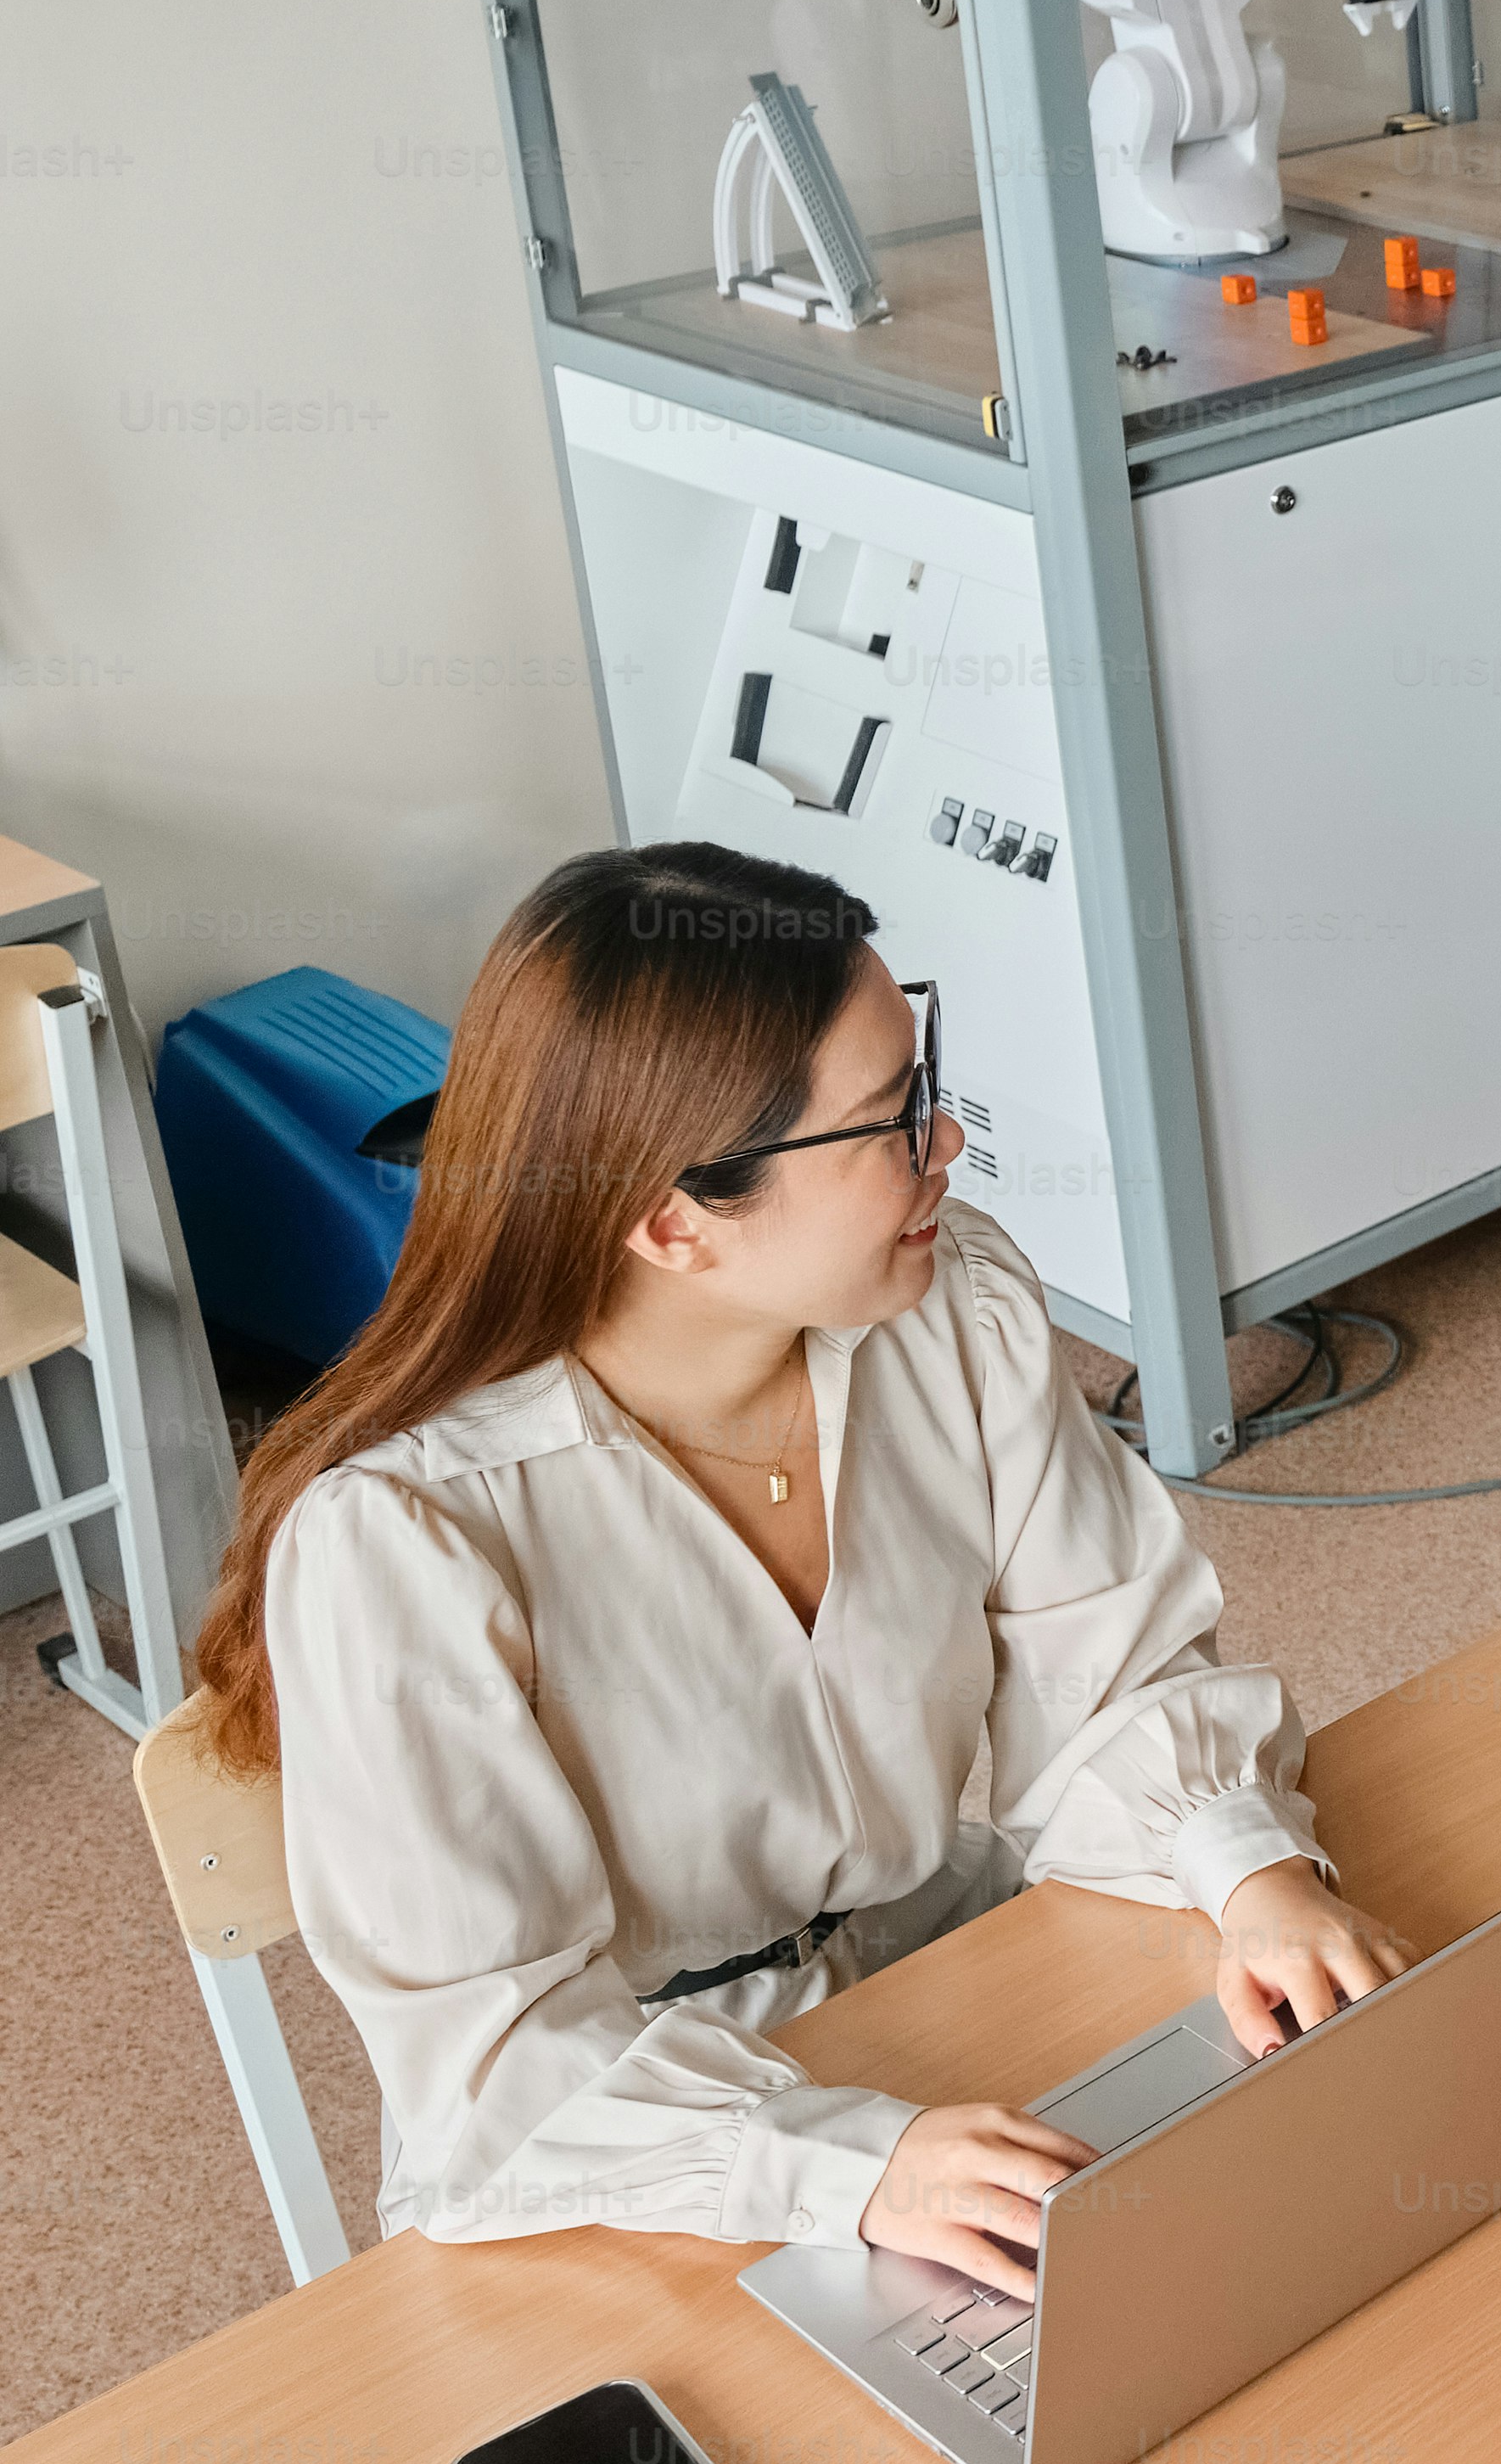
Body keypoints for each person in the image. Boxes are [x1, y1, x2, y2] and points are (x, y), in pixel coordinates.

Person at [179, 845, 1402, 2295]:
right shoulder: (406, 1540)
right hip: (627, 2163)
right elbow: (495, 2063)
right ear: (674, 1220)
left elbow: (1107, 1675)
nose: (950, 1151)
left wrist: (1245, 1863)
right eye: (895, 1124)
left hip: (945, 1999)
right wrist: (851, 2165)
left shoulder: (950, 1308)